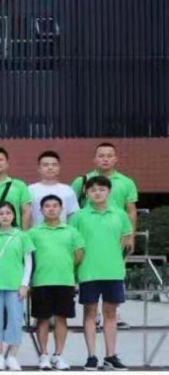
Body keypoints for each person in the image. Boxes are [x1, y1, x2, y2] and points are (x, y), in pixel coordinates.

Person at [69, 176, 133, 371]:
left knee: (110, 313)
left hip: (113, 272)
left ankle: (110, 355)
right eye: (93, 190)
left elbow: (124, 242)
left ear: (109, 192)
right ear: (87, 193)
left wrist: (118, 263)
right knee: (90, 313)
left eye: (102, 189)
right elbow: (74, 246)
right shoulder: (78, 217)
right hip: (88, 271)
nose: (97, 193)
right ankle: (91, 356)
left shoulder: (120, 214)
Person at [28, 195, 85, 371]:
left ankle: (58, 355)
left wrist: (66, 267)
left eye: (55, 206)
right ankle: (43, 355)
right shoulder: (33, 232)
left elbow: (79, 254)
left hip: (65, 281)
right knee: (42, 319)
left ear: (61, 209)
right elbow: (28, 257)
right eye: (47, 206)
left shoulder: (71, 231)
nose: (51, 209)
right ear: (41, 210)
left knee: (62, 318)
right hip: (41, 281)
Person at [0, 202, 34, 371]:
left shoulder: (22, 236)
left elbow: (28, 262)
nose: (5, 216)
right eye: (1, 213)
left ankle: (12, 356)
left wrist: (24, 284)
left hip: (15, 286)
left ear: (14, 215)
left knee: (15, 321)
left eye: (8, 213)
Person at [70, 142, 138, 246]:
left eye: (109, 156)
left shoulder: (127, 182)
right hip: (87, 233)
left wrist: (131, 237)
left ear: (116, 159)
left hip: (116, 233)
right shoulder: (82, 181)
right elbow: (69, 208)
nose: (105, 159)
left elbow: (131, 211)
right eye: (101, 156)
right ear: (94, 159)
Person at [28, 151, 79, 228]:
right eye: (45, 165)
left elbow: (73, 215)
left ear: (59, 168)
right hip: (37, 232)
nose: (50, 168)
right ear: (39, 168)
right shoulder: (30, 190)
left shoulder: (68, 190)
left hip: (62, 232)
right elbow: (27, 215)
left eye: (54, 165)